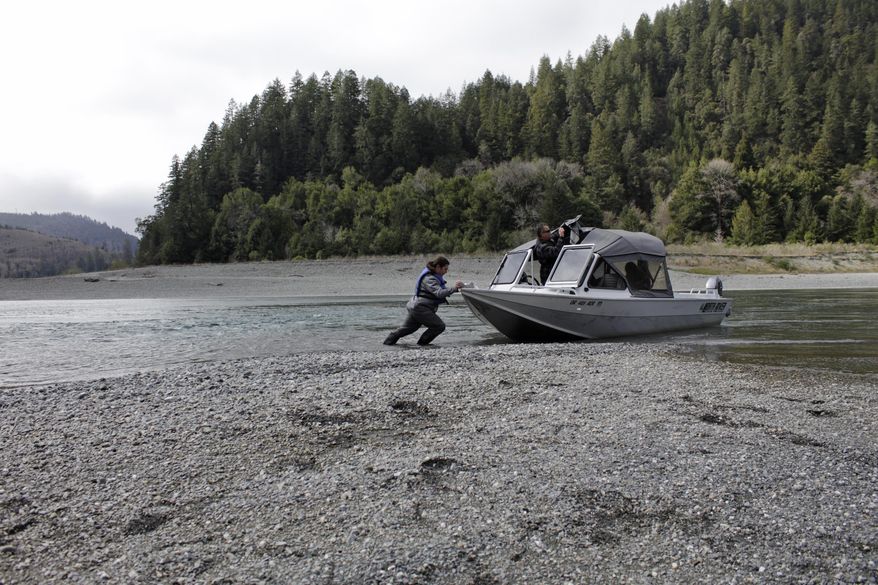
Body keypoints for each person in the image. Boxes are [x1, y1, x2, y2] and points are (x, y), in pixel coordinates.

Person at [383, 256, 464, 346]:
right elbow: (439, 293)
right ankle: (422, 344)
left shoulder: (432, 276)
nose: (446, 271)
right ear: (438, 267)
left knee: (407, 329)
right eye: (445, 269)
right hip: (420, 308)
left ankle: (387, 344)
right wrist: (455, 289)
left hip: (416, 306)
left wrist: (455, 289)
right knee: (439, 326)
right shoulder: (429, 278)